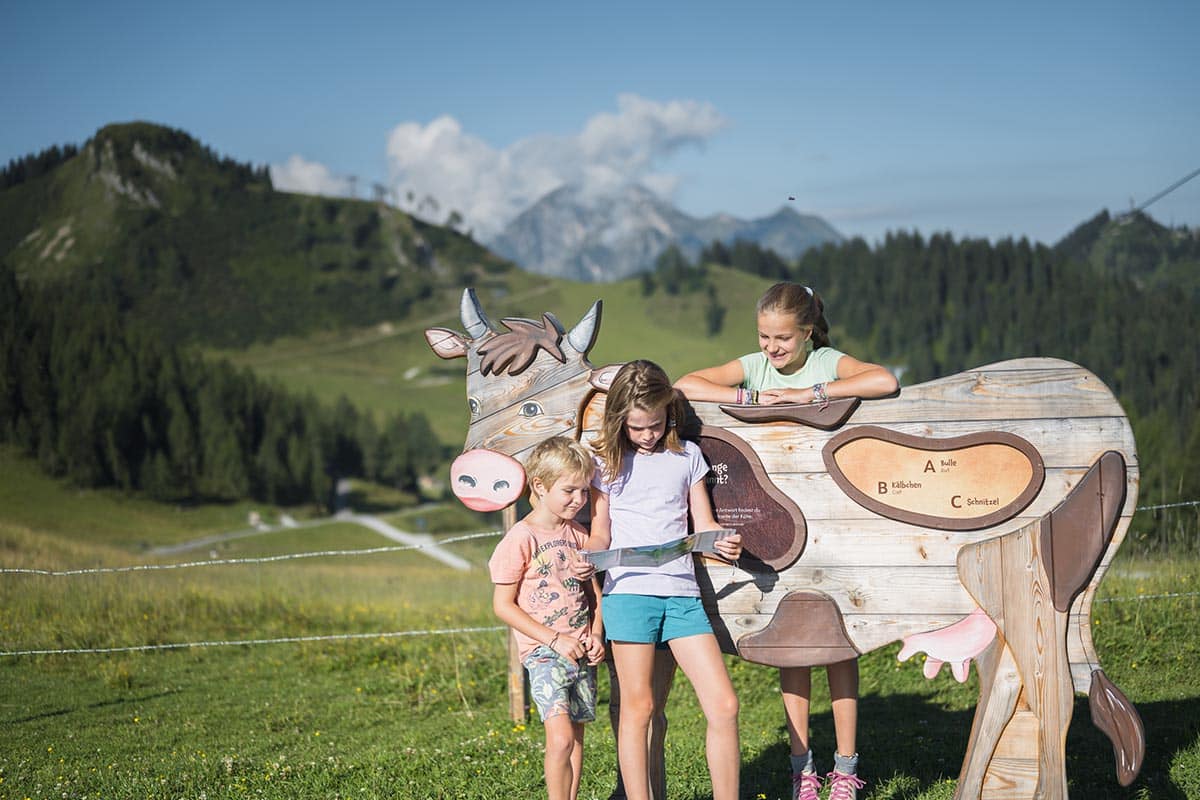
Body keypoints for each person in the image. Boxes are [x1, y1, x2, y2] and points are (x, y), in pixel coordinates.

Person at [674, 281, 899, 800]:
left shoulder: (826, 362)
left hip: (831, 522)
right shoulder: (755, 366)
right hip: (780, 524)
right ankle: (803, 770)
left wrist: (808, 394)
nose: (772, 347)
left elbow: (883, 380)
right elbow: (685, 384)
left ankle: (846, 768)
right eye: (764, 336)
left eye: (783, 338)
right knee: (792, 650)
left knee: (841, 649)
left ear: (808, 332)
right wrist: (748, 397)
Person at [585, 359, 744, 800]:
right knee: (639, 708)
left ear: (668, 413)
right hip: (629, 595)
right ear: (619, 420)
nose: (647, 435)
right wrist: (588, 556)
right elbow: (600, 532)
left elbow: (704, 524)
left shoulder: (687, 456)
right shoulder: (605, 463)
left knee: (725, 704)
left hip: (681, 595)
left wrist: (723, 542)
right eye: (636, 427)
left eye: (655, 424)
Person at [489, 436, 606, 800]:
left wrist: (596, 635)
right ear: (539, 485)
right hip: (544, 653)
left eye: (584, 491)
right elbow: (503, 605)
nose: (579, 500)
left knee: (577, 736)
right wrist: (554, 640)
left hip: (581, 651)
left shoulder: (579, 535)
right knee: (561, 738)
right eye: (569, 491)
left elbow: (595, 595)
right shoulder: (520, 538)